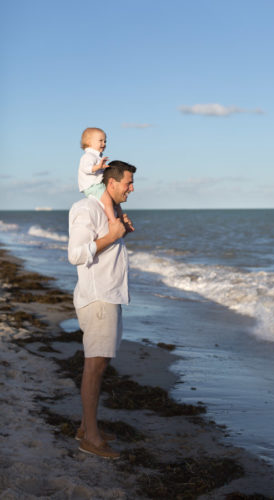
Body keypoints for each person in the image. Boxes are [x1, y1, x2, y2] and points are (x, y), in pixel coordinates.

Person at [68, 160, 136, 459]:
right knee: (94, 368)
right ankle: (90, 439)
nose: (131, 189)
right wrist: (112, 236)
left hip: (109, 295)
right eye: (128, 183)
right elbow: (75, 254)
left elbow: (105, 249)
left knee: (102, 364)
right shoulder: (86, 209)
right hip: (98, 298)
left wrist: (120, 233)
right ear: (111, 183)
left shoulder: (111, 213)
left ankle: (86, 427)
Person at [78, 127, 133, 230]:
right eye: (100, 141)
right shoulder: (88, 156)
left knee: (116, 203)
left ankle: (121, 219)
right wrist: (98, 167)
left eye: (105, 141)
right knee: (108, 201)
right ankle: (113, 221)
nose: (104, 143)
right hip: (92, 185)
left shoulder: (97, 156)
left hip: (97, 184)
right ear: (89, 142)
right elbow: (86, 169)